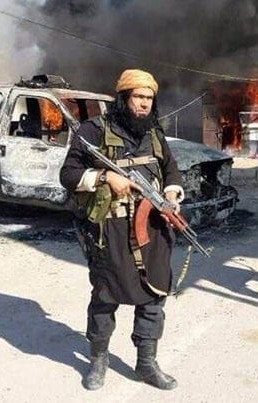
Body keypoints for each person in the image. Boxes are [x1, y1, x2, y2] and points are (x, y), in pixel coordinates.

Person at [60, 69, 184, 391]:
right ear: (124, 97)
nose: (144, 104)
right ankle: (98, 361)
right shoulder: (94, 130)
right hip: (110, 230)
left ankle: (146, 363)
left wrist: (171, 195)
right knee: (106, 295)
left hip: (153, 229)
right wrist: (105, 177)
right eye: (138, 97)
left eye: (149, 98)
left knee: (155, 293)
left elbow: (171, 170)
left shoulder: (154, 133)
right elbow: (68, 174)